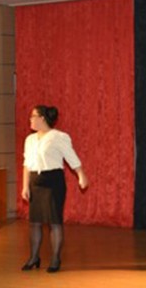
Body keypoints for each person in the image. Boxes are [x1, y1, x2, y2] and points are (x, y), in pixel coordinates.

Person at [21, 105, 88, 273]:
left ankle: (55, 259)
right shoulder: (30, 139)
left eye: (33, 116)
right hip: (35, 183)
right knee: (35, 222)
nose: (30, 119)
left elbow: (72, 158)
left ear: (42, 118)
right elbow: (26, 164)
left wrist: (81, 175)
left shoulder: (59, 137)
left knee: (54, 222)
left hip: (53, 183)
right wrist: (25, 186)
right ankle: (34, 257)